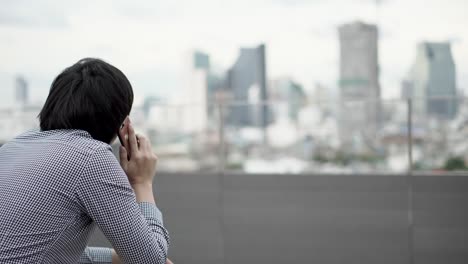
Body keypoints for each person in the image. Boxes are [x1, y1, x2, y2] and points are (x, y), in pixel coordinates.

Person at [0, 58, 172, 263]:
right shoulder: (92, 157)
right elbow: (151, 260)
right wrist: (142, 182)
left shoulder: (15, 146)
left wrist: (115, 260)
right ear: (122, 125)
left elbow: (43, 252)